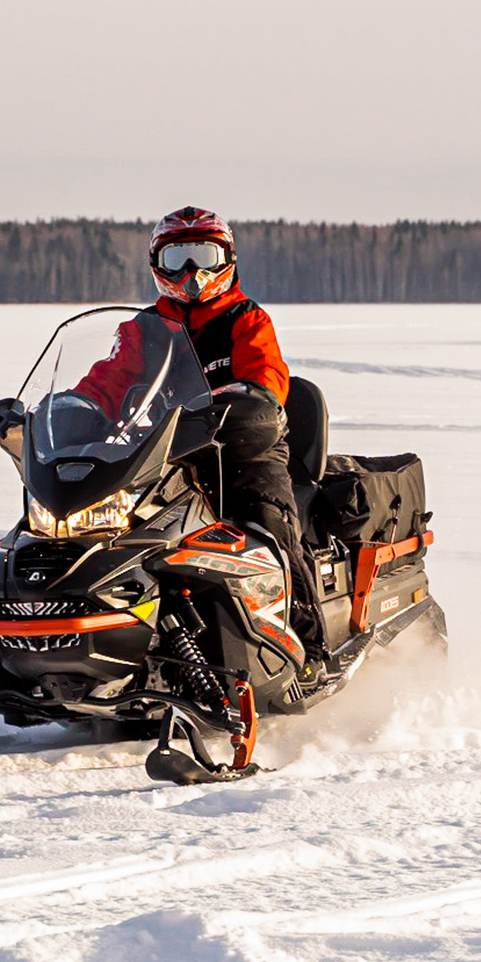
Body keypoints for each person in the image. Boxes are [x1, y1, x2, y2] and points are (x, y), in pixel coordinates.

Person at [144, 206, 328, 663]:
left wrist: (250, 397)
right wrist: (72, 406)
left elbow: (267, 375)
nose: (192, 272)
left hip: (246, 447)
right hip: (165, 453)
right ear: (157, 264)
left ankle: (308, 648)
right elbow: (108, 379)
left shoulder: (246, 319)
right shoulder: (145, 330)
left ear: (227, 259)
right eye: (177, 259)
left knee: (268, 524)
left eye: (204, 256)